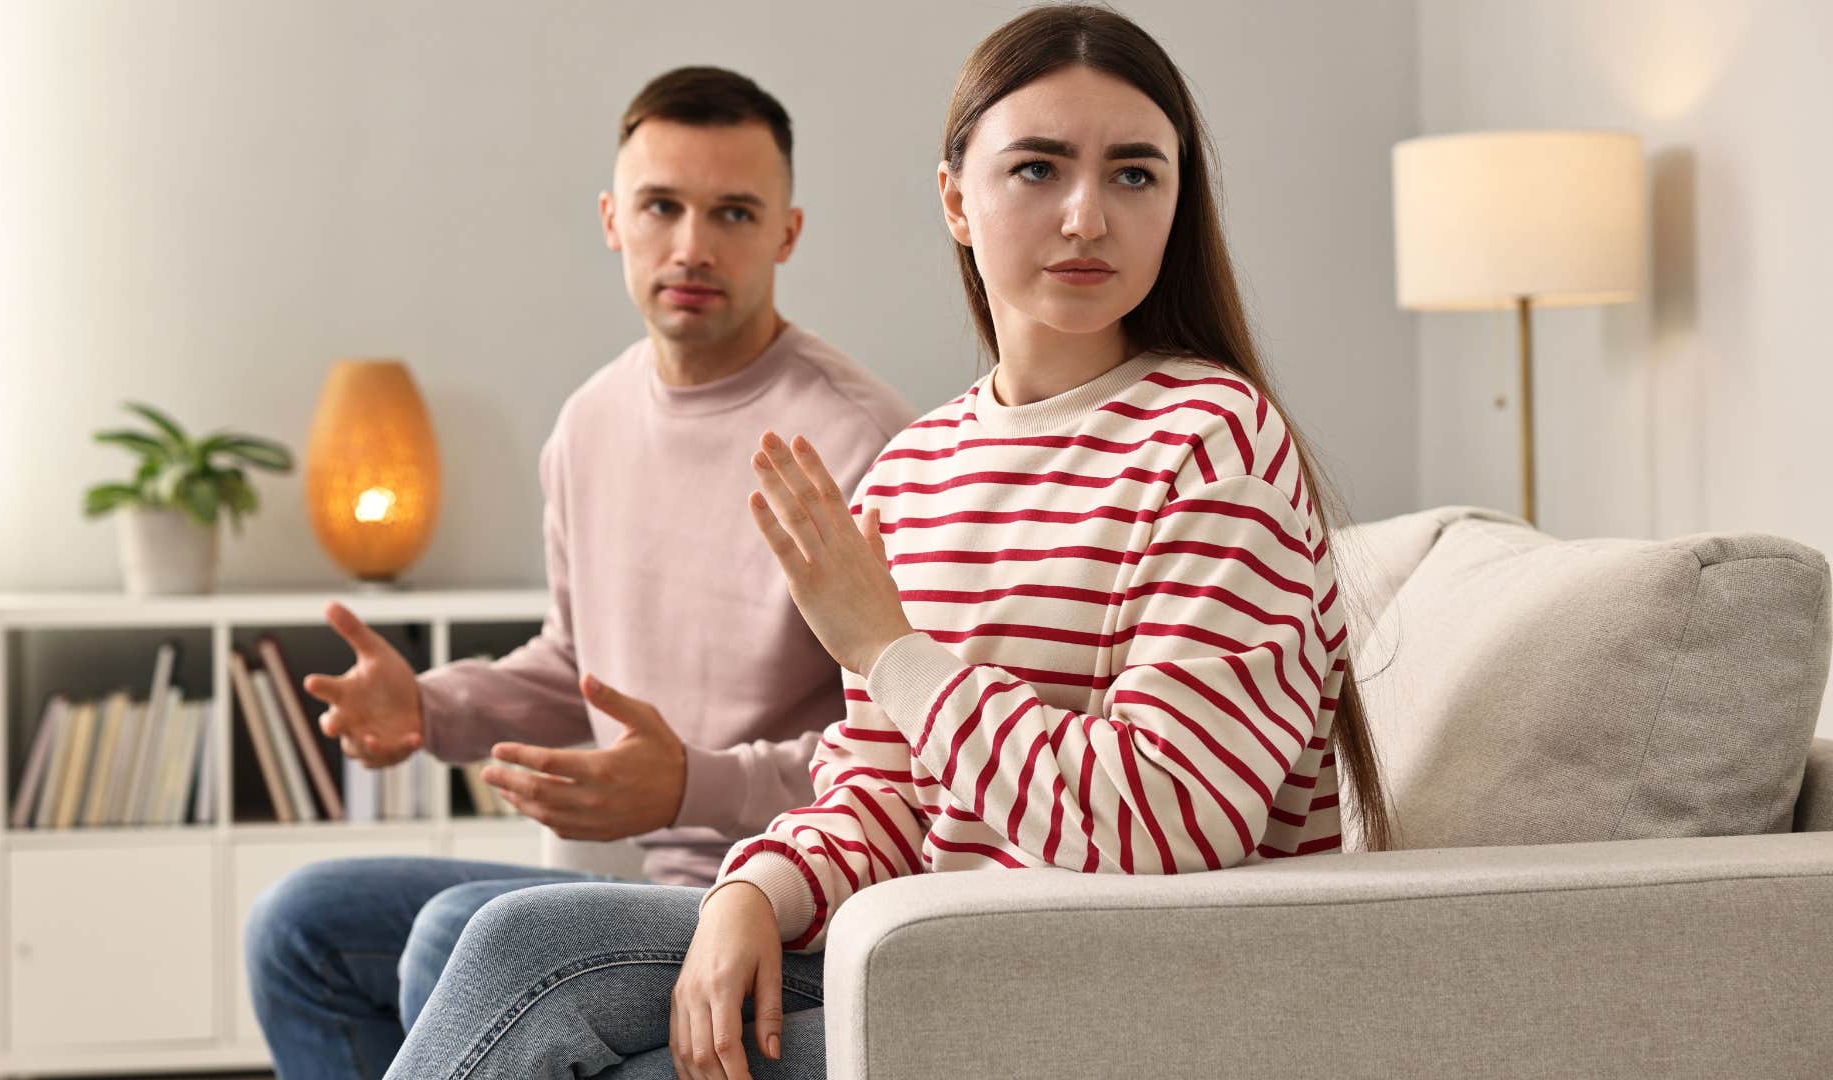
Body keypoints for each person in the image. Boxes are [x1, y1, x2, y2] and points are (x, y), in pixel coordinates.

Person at [384, 6, 1394, 1079]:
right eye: (1039, 169)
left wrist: (894, 652)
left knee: (586, 1013)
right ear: (957, 199)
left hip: (1122, 987)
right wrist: (751, 892)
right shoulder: (918, 468)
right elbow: (886, 793)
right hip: (935, 946)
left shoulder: (1216, 444)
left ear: (1177, 201)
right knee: (511, 939)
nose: (1088, 215)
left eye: (1135, 174)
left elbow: (1164, 818)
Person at [242, 65, 917, 1080]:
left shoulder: (860, 444)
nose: (692, 245)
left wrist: (692, 783)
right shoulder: (590, 423)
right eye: (662, 207)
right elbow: (575, 662)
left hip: (788, 894)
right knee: (300, 925)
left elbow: (909, 749)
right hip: (648, 885)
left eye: (733, 213)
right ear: (613, 219)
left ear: (786, 233)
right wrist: (427, 709)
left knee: (456, 935)